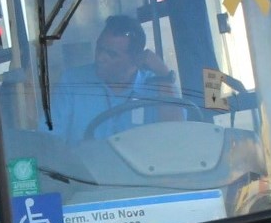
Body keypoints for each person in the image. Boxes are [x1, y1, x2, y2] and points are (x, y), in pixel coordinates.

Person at [52, 14, 182, 143]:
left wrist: (163, 74)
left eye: (111, 54)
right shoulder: (72, 81)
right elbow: (50, 138)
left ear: (135, 59)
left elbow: (175, 137)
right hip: (82, 163)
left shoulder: (156, 87)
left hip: (138, 164)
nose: (100, 58)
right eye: (99, 48)